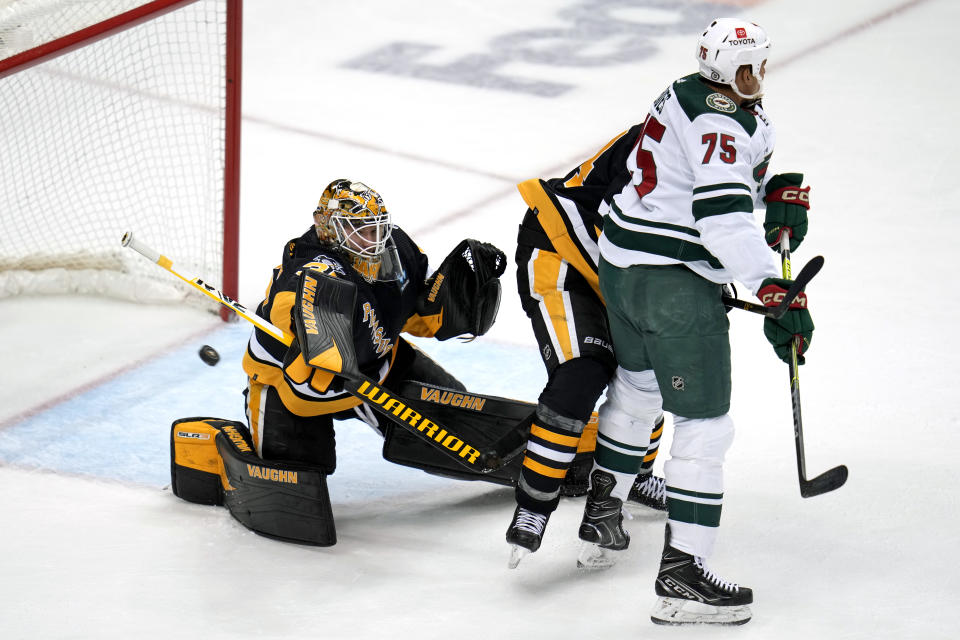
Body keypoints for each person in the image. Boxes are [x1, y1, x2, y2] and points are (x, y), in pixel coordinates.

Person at [588, 18, 813, 625]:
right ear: (719, 68)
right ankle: (683, 577)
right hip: (672, 282)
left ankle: (601, 514)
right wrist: (773, 284)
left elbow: (709, 187)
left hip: (624, 266)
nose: (754, 76)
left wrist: (769, 201)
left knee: (636, 390)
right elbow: (719, 220)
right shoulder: (721, 118)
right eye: (744, 68)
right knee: (704, 427)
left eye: (758, 65)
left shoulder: (688, 91)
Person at [237, 178, 509, 543]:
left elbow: (412, 307)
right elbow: (292, 302)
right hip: (293, 385)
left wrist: (455, 299)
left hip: (377, 366)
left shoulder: (396, 248)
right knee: (297, 478)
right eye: (360, 230)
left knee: (457, 418)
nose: (374, 238)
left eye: (377, 227)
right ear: (328, 228)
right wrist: (311, 337)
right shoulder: (312, 266)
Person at [503, 124, 671, 569]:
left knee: (654, 364)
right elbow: (636, 228)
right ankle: (534, 505)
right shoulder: (663, 138)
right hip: (563, 249)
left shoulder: (731, 145)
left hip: (622, 269)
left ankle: (635, 475)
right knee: (582, 372)